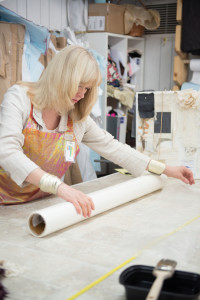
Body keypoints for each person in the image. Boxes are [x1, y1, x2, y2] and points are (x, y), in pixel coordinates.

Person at [0, 45, 195, 218]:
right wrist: (59, 187)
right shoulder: (20, 99)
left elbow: (114, 148)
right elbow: (7, 151)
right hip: (4, 203)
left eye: (87, 88)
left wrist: (166, 169)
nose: (82, 94)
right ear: (60, 78)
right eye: (78, 85)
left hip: (42, 205)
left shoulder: (75, 117)